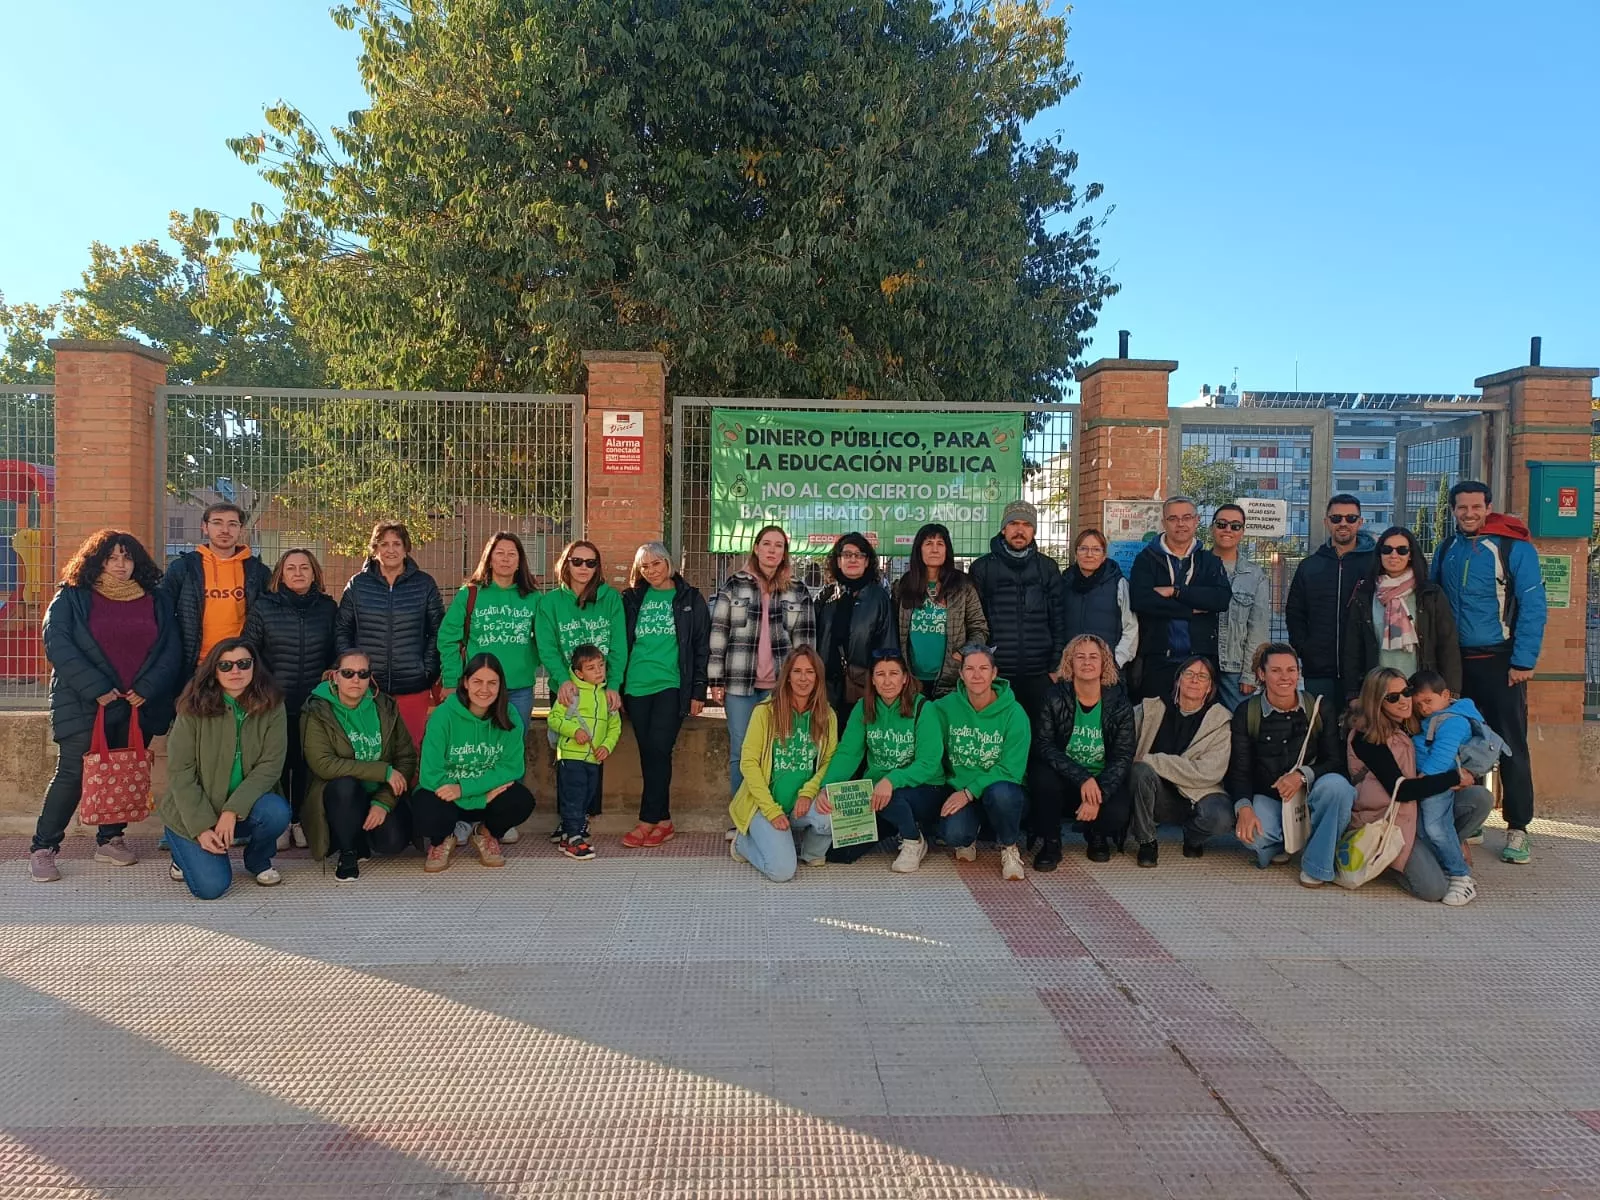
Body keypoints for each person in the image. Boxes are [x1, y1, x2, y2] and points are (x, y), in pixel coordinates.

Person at [31, 530, 183, 882]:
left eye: (127, 558)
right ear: (96, 561)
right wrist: (97, 688)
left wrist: (147, 687)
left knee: (124, 770)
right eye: (111, 557)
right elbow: (58, 644)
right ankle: (44, 847)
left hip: (136, 705)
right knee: (72, 775)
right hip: (85, 704)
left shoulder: (155, 600)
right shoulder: (71, 597)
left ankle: (110, 839)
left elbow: (170, 649)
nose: (120, 565)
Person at [1433, 480, 1546, 865]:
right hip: (1455, 662)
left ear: (1488, 507)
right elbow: (1434, 601)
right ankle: (1473, 816)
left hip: (1501, 661)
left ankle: (1518, 827)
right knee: (1459, 740)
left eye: (1475, 507)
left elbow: (1533, 607)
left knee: (1510, 743)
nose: (1468, 514)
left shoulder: (1515, 548)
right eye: (1461, 508)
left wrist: (1524, 661)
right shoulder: (1446, 549)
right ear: (1453, 511)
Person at [1345, 667, 1494, 903]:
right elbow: (1403, 791)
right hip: (1390, 820)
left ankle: (1444, 852)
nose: (1404, 700)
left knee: (1480, 798)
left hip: (1418, 812)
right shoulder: (1368, 737)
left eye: (1406, 692)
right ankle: (1391, 863)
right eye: (1393, 697)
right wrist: (1454, 778)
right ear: (1377, 701)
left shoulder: (1414, 722)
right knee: (1433, 890)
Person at [157, 638, 291, 899]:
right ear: (213, 670)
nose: (235, 672)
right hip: (194, 811)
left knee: (276, 811)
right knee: (211, 888)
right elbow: (181, 772)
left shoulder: (272, 704)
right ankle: (181, 850)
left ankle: (258, 860)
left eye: (243, 663)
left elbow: (270, 765)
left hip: (241, 808)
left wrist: (232, 810)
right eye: (225, 666)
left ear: (254, 666)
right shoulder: (193, 706)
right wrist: (201, 828)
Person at [1227, 643, 1356, 887]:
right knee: (1251, 836)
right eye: (1276, 671)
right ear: (1261, 675)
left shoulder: (1319, 708)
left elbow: (1336, 762)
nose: (1285, 677)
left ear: (1299, 673)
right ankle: (1286, 841)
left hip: (1311, 793)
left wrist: (1302, 776)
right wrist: (1243, 807)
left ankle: (1316, 865)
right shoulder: (1247, 712)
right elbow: (1240, 769)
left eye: (1291, 670)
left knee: (1339, 788)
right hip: (1270, 795)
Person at [708, 525, 817, 798]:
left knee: (776, 751)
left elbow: (805, 645)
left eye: (778, 546)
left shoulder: (798, 590)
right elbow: (719, 632)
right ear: (756, 548)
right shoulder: (735, 585)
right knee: (741, 751)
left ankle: (772, 813)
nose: (772, 550)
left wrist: (801, 683)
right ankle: (741, 818)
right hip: (738, 684)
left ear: (784, 553)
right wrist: (715, 679)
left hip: (779, 686)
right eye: (767, 544)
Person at [242, 549, 338, 851]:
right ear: (280, 574)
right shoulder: (264, 607)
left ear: (315, 573)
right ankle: (280, 823)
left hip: (315, 704)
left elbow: (337, 649)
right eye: (291, 568)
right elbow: (249, 648)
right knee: (278, 765)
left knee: (308, 764)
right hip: (275, 703)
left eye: (304, 568)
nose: (298, 573)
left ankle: (301, 821)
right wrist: (263, 687)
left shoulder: (327, 608)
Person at [818, 648, 946, 872]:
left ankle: (913, 840)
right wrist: (826, 786)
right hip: (878, 792)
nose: (887, 681)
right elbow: (849, 753)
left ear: (905, 678)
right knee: (839, 853)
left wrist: (891, 780)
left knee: (893, 796)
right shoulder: (863, 707)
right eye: (880, 674)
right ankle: (895, 825)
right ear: (873, 680)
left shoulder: (924, 708)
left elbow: (928, 763)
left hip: (925, 788)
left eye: (894, 673)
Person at [299, 649, 419, 883]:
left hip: (377, 792)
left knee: (392, 842)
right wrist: (382, 771)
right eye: (348, 673)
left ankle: (363, 839)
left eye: (363, 674)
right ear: (335, 676)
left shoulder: (384, 706)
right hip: (338, 796)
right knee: (345, 785)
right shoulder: (317, 710)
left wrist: (383, 803)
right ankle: (348, 852)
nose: (356, 679)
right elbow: (323, 764)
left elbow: (405, 758)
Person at [620, 542, 710, 848]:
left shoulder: (689, 598)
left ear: (668, 563)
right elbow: (620, 643)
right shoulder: (631, 599)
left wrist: (699, 690)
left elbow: (701, 647)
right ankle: (665, 821)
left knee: (659, 748)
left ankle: (647, 820)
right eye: (644, 566)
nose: (651, 571)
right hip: (635, 686)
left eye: (656, 564)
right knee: (650, 753)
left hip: (671, 685)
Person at [412, 652, 536, 873]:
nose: (484, 689)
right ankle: (442, 840)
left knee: (520, 800)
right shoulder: (444, 716)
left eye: (492, 683)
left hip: (472, 794)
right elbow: (430, 774)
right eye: (478, 681)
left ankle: (485, 834)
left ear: (500, 686)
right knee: (424, 805)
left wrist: (465, 789)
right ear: (466, 683)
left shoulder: (509, 716)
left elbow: (512, 767)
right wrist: (475, 795)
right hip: (450, 797)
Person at [728, 647, 838, 882]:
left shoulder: (826, 715)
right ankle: (742, 844)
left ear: (818, 677)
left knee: (838, 815)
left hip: (801, 803)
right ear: (787, 675)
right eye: (797, 671)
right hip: (764, 804)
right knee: (781, 872)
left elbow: (829, 760)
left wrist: (809, 793)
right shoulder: (765, 712)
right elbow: (748, 763)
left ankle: (810, 852)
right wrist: (771, 810)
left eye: (810, 672)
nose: (803, 678)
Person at [336, 522, 444, 749]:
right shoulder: (357, 584)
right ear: (374, 550)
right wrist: (352, 670)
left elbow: (437, 630)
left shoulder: (425, 585)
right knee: (370, 749)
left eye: (397, 543)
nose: (391, 550)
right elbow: (342, 629)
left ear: (406, 548)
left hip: (413, 684)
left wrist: (427, 669)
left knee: (410, 748)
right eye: (384, 544)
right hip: (367, 685)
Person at [1033, 635, 1136, 869]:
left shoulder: (1119, 703)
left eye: (1093, 657)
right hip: (1065, 777)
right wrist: (1083, 778)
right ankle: (1051, 842)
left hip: (1101, 778)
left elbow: (1123, 756)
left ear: (1104, 663)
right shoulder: (1054, 696)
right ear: (1070, 662)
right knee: (1042, 780)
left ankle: (1096, 835)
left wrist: (1097, 793)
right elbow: (1044, 745)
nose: (1087, 662)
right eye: (1080, 657)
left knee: (1118, 812)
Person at [933, 644, 1031, 880]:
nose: (977, 675)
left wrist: (969, 792)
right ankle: (971, 833)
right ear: (961, 674)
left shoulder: (1014, 713)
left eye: (983, 668)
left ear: (994, 673)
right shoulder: (943, 708)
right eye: (970, 669)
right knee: (953, 835)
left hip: (1002, 791)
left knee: (1001, 794)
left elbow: (1011, 769)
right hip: (960, 790)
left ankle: (1009, 846)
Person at [1127, 655, 1235, 865]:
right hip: (1158, 794)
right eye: (1189, 674)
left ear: (1209, 687)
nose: (1195, 680)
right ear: (1178, 680)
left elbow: (1209, 772)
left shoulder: (1220, 720)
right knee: (1139, 771)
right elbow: (1126, 742)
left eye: (1203, 677)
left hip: (1199, 793)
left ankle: (1193, 838)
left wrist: (1153, 760)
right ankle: (1147, 842)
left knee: (1221, 818)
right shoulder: (1151, 709)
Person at [968, 500, 1067, 726]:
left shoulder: (1047, 568)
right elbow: (973, 622)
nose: (1019, 530)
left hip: (1040, 674)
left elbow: (1059, 620)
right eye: (1013, 523)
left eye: (1026, 524)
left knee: (1039, 740)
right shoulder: (982, 568)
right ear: (1003, 529)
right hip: (997, 675)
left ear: (1033, 530)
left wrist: (1054, 668)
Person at [1128, 496, 1231, 701]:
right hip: (1158, 660)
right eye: (1173, 518)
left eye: (1186, 517)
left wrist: (1176, 592)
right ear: (1164, 522)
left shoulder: (1209, 561)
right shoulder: (1146, 559)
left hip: (1199, 661)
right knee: (1154, 724)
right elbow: (1141, 600)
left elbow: (1219, 599)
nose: (1181, 524)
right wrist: (1189, 610)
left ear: (1197, 520)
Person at [1343, 525, 1461, 701]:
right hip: (1379, 690)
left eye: (1402, 550)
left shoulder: (1430, 594)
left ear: (1411, 554)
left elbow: (1447, 644)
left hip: (1422, 690)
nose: (1394, 555)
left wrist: (1451, 691)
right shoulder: (1365, 595)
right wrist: (1353, 694)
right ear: (1379, 554)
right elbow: (1353, 648)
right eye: (1387, 549)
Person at [438, 531, 542, 729]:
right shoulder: (470, 594)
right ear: (489, 558)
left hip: (519, 690)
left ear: (520, 561)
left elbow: (545, 639)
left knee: (514, 748)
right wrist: (451, 680)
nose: (505, 559)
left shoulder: (533, 598)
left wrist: (528, 662)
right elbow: (447, 638)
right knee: (477, 746)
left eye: (512, 554)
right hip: (479, 689)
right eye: (499, 553)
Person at [1286, 494, 1375, 712]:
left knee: (1360, 733)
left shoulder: (1375, 564)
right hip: (1318, 669)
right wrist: (1305, 649)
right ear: (1326, 522)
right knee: (1319, 731)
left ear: (1360, 522)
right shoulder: (1309, 566)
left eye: (1351, 518)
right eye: (1336, 518)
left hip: (1364, 669)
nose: (1343, 523)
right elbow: (1295, 613)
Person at [160, 501, 271, 673]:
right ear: (204, 527)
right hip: (195, 665)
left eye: (232, 524)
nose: (225, 530)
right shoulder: (184, 568)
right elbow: (162, 613)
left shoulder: (258, 572)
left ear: (241, 529)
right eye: (217, 523)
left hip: (241, 665)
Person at [1405, 670, 1484, 905]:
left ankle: (1461, 877)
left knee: (1436, 828)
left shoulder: (1453, 721)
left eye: (1428, 701)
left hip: (1435, 784)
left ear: (1446, 694)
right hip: (1434, 783)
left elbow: (1442, 756)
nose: (1424, 709)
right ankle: (1451, 870)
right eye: (1418, 705)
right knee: (1431, 829)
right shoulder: (1435, 719)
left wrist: (1422, 780)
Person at [894, 522, 988, 700]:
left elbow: (980, 628)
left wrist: (962, 653)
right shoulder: (904, 585)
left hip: (950, 680)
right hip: (912, 680)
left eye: (940, 544)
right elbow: (895, 629)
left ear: (947, 550)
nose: (934, 549)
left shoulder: (963, 586)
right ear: (919, 550)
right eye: (928, 544)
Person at [814, 532, 897, 729]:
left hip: (864, 688)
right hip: (827, 689)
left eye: (859, 555)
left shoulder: (879, 598)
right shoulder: (826, 597)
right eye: (847, 554)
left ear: (867, 562)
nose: (853, 559)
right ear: (838, 560)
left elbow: (888, 646)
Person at [548, 644, 621, 861]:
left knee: (586, 797)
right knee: (574, 797)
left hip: (593, 758)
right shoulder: (572, 693)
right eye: (591, 668)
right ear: (579, 673)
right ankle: (573, 837)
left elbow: (615, 726)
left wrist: (606, 746)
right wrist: (575, 730)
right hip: (571, 756)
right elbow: (554, 718)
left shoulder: (606, 696)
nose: (599, 671)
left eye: (601, 666)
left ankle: (570, 833)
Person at [1209, 504, 1271, 711]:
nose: (1228, 530)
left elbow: (1258, 630)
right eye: (1222, 524)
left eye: (1235, 526)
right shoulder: (1196, 565)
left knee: (1238, 728)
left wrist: (1249, 673)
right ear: (1212, 528)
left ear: (1242, 532)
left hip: (1234, 669)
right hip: (1199, 664)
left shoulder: (1255, 576)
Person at [1061, 529, 1138, 670]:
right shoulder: (1064, 583)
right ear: (1075, 553)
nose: (1089, 555)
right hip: (1071, 667)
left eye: (1096, 549)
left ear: (1104, 555)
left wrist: (1117, 661)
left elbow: (1131, 627)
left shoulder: (1118, 584)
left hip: (1108, 668)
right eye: (1083, 549)